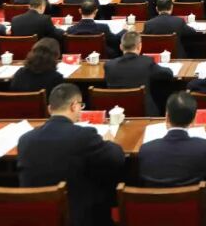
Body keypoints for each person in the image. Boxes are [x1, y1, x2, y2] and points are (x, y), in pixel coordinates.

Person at [17, 84, 126, 226]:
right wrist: (109, 142)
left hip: (37, 218)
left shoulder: (25, 140)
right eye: (81, 106)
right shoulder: (84, 136)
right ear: (74, 106)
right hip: (79, 218)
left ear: (50, 109)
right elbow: (117, 158)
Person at [138, 91, 206, 190]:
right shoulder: (204, 147)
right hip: (192, 200)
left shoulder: (145, 150)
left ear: (167, 117)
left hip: (155, 200)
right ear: (193, 120)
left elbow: (140, 181)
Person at [103, 31, 175, 116]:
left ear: (121, 47)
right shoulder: (146, 62)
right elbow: (168, 74)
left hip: (117, 113)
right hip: (144, 113)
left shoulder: (109, 65)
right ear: (139, 46)